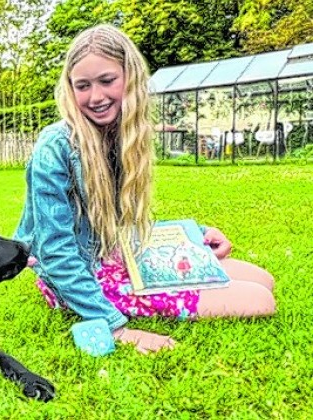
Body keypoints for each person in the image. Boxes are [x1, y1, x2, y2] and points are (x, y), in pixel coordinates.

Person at [14, 24, 275, 354]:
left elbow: (123, 223)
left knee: (263, 278)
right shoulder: (56, 146)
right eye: (83, 85)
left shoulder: (126, 136)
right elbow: (54, 250)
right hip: (75, 278)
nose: (95, 96)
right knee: (258, 298)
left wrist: (198, 234)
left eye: (107, 81)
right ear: (70, 89)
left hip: (116, 255)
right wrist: (117, 327)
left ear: (130, 77)